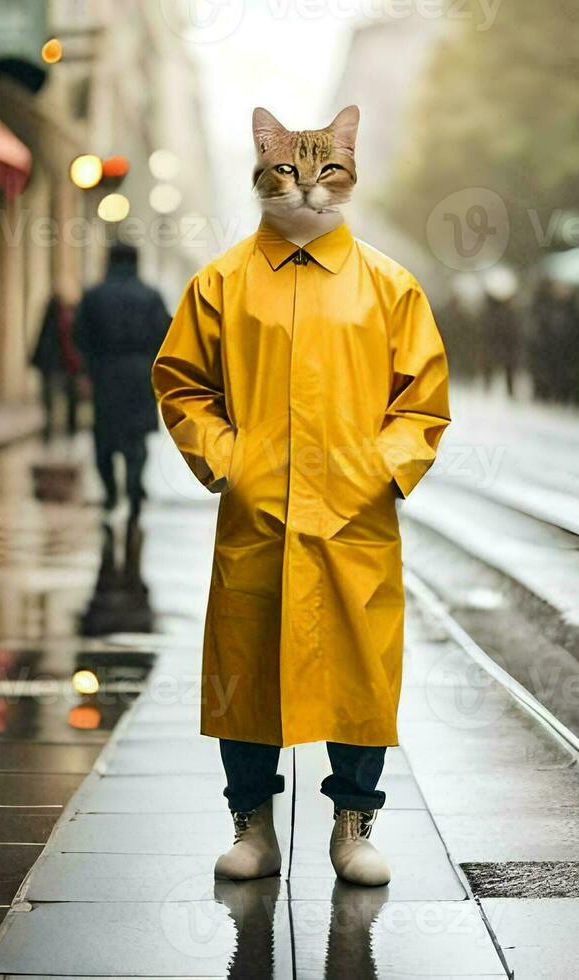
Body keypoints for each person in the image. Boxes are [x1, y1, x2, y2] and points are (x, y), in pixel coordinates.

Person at [153, 104, 450, 887]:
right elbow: (182, 384)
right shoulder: (220, 282)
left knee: (360, 673)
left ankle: (354, 822)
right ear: (265, 171)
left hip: (354, 520)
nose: (309, 189)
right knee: (246, 668)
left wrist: (379, 472)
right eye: (288, 170)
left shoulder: (390, 285)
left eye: (327, 170)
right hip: (258, 514)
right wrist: (228, 461)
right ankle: (251, 824)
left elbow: (421, 400)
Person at [74, 243, 170, 518]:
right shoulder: (151, 296)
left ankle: (110, 492)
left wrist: (88, 368)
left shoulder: (94, 296)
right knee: (136, 437)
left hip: (105, 373)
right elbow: (166, 334)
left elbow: (80, 334)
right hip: (141, 374)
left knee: (104, 436)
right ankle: (133, 483)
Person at [33, 293, 84, 443]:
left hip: (55, 366)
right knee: (66, 398)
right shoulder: (66, 319)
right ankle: (68, 430)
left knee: (52, 399)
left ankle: (52, 431)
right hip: (62, 365)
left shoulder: (57, 321)